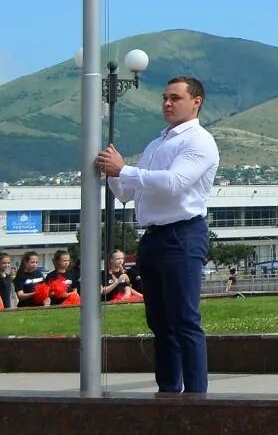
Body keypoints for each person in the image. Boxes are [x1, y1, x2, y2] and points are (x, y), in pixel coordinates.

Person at [95, 74, 221, 395]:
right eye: (165, 97)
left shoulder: (199, 140)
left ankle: (196, 396)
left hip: (183, 234)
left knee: (184, 319)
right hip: (152, 236)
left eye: (175, 98)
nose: (166, 103)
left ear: (196, 102)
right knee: (159, 322)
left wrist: (124, 169)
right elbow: (127, 191)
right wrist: (112, 173)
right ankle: (168, 390)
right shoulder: (156, 143)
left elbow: (175, 182)